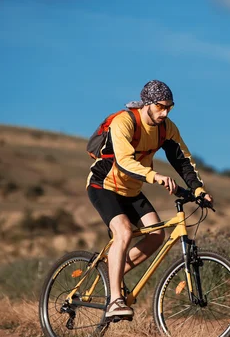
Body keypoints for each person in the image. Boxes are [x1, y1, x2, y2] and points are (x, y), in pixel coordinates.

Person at [86, 80, 213, 319]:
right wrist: (154, 176)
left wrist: (197, 189)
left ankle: (112, 272)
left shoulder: (166, 128)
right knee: (123, 232)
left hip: (132, 190)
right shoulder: (124, 122)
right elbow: (124, 161)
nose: (165, 112)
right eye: (161, 107)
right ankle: (115, 300)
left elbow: (182, 160)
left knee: (157, 235)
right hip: (104, 184)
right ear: (147, 104)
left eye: (169, 108)